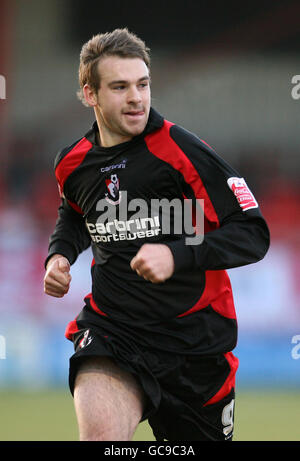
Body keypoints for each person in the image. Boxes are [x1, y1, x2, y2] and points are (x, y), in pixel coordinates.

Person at [44, 28, 270, 441]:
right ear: (90, 93)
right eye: (120, 86)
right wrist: (59, 255)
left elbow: (252, 234)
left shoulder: (183, 151)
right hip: (114, 333)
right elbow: (74, 214)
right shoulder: (72, 163)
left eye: (143, 84)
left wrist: (177, 254)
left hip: (195, 345)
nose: (136, 98)